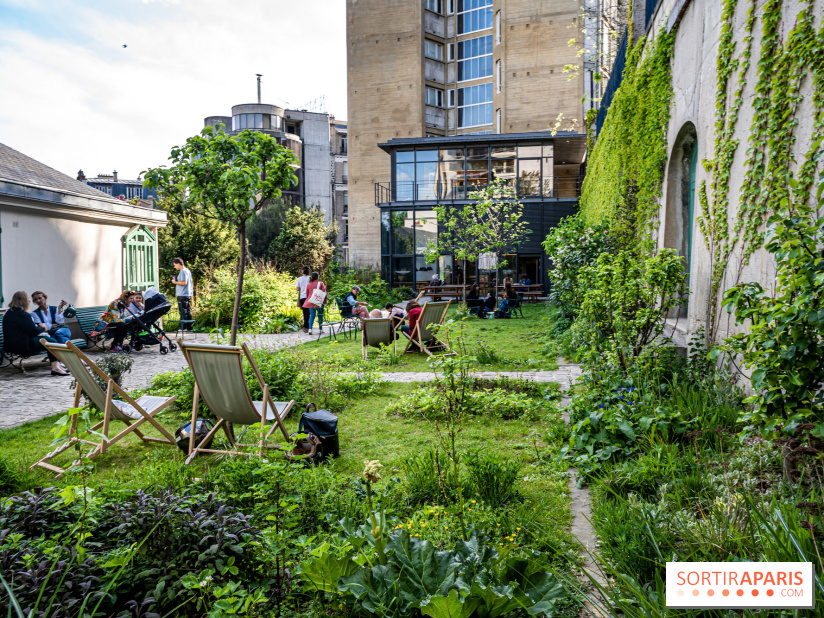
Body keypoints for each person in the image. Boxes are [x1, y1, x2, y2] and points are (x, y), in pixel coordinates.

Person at [3, 291, 68, 376]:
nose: (29, 300)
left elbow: (28, 329)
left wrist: (39, 326)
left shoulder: (10, 312)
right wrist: (42, 327)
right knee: (52, 341)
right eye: (28, 298)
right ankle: (55, 367)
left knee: (51, 339)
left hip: (13, 344)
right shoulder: (22, 314)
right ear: (24, 300)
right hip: (22, 345)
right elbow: (33, 331)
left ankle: (58, 366)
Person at [171, 257, 193, 331]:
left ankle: (183, 328)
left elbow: (184, 282)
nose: (174, 267)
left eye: (175, 265)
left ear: (178, 263)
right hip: (187, 293)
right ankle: (189, 328)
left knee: (183, 311)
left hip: (183, 294)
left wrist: (175, 282)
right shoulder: (187, 270)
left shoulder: (183, 271)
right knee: (187, 311)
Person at [295, 266, 311, 333]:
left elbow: (297, 289)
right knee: (308, 312)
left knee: (304, 312)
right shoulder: (310, 278)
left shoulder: (299, 279)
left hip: (302, 297)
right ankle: (307, 326)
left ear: (302, 271)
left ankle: (305, 326)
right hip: (309, 297)